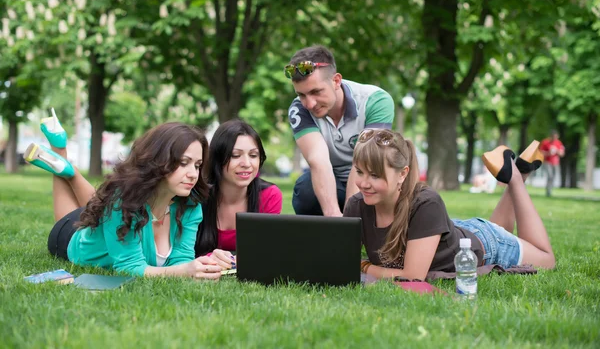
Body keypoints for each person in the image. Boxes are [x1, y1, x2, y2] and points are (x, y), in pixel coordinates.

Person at [24, 109, 222, 279]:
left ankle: (67, 167)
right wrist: (183, 271)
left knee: (100, 204)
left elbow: (182, 260)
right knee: (70, 217)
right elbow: (129, 268)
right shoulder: (123, 202)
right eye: (183, 163)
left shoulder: (191, 207)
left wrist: (192, 269)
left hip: (111, 214)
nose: (193, 174)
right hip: (71, 236)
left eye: (197, 165)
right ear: (159, 159)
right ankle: (61, 156)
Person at [343, 129, 555, 281]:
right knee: (500, 228)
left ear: (402, 174)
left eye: (375, 175)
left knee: (547, 260)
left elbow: (412, 276)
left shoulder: (425, 203)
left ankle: (516, 177)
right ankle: (520, 169)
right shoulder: (357, 205)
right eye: (359, 172)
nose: (363, 183)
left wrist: (365, 266)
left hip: (488, 245)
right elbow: (340, 260)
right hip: (452, 233)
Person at [286, 45, 394, 217]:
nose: (310, 103)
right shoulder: (299, 109)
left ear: (336, 81)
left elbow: (362, 162)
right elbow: (318, 161)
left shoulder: (376, 100)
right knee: (305, 190)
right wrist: (334, 219)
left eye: (316, 92)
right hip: (332, 181)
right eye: (302, 95)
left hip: (370, 176)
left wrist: (348, 220)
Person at [194, 120, 282, 268]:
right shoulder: (197, 197)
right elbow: (183, 253)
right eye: (235, 155)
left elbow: (267, 251)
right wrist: (210, 258)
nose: (247, 163)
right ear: (218, 159)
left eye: (253, 155)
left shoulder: (269, 196)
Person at [539, 130, 565, 197]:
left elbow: (562, 153)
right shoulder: (545, 142)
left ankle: (550, 190)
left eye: (556, 137)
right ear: (551, 136)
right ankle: (548, 191)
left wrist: (557, 151)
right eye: (553, 137)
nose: (554, 138)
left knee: (553, 177)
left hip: (556, 163)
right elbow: (541, 152)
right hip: (547, 162)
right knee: (550, 176)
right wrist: (548, 153)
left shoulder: (559, 143)